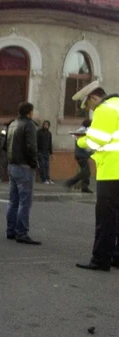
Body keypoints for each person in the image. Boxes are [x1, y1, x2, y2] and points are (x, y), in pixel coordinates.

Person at [72, 81, 119, 271]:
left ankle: (100, 259)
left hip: (111, 171)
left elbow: (96, 141)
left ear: (93, 97)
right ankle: (117, 256)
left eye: (88, 106)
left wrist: (81, 139)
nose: (90, 110)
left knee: (105, 218)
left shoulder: (104, 110)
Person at [5, 102, 41, 245]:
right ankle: (22, 233)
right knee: (25, 202)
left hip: (12, 164)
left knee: (13, 201)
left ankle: (11, 230)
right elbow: (32, 146)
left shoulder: (13, 124)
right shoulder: (29, 125)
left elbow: (5, 144)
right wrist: (34, 162)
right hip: (24, 166)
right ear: (29, 112)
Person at [63, 119, 93, 193]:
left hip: (81, 154)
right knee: (85, 171)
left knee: (87, 171)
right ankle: (70, 182)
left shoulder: (82, 130)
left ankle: (84, 187)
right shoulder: (83, 131)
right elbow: (84, 144)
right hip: (81, 154)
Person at [36, 120, 54, 184]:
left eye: (47, 125)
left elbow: (50, 143)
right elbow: (37, 142)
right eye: (45, 124)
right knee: (42, 165)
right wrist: (37, 151)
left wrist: (51, 153)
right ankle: (44, 179)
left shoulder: (49, 133)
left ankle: (48, 178)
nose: (46, 125)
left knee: (47, 166)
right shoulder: (39, 132)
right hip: (40, 152)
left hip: (46, 152)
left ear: (49, 126)